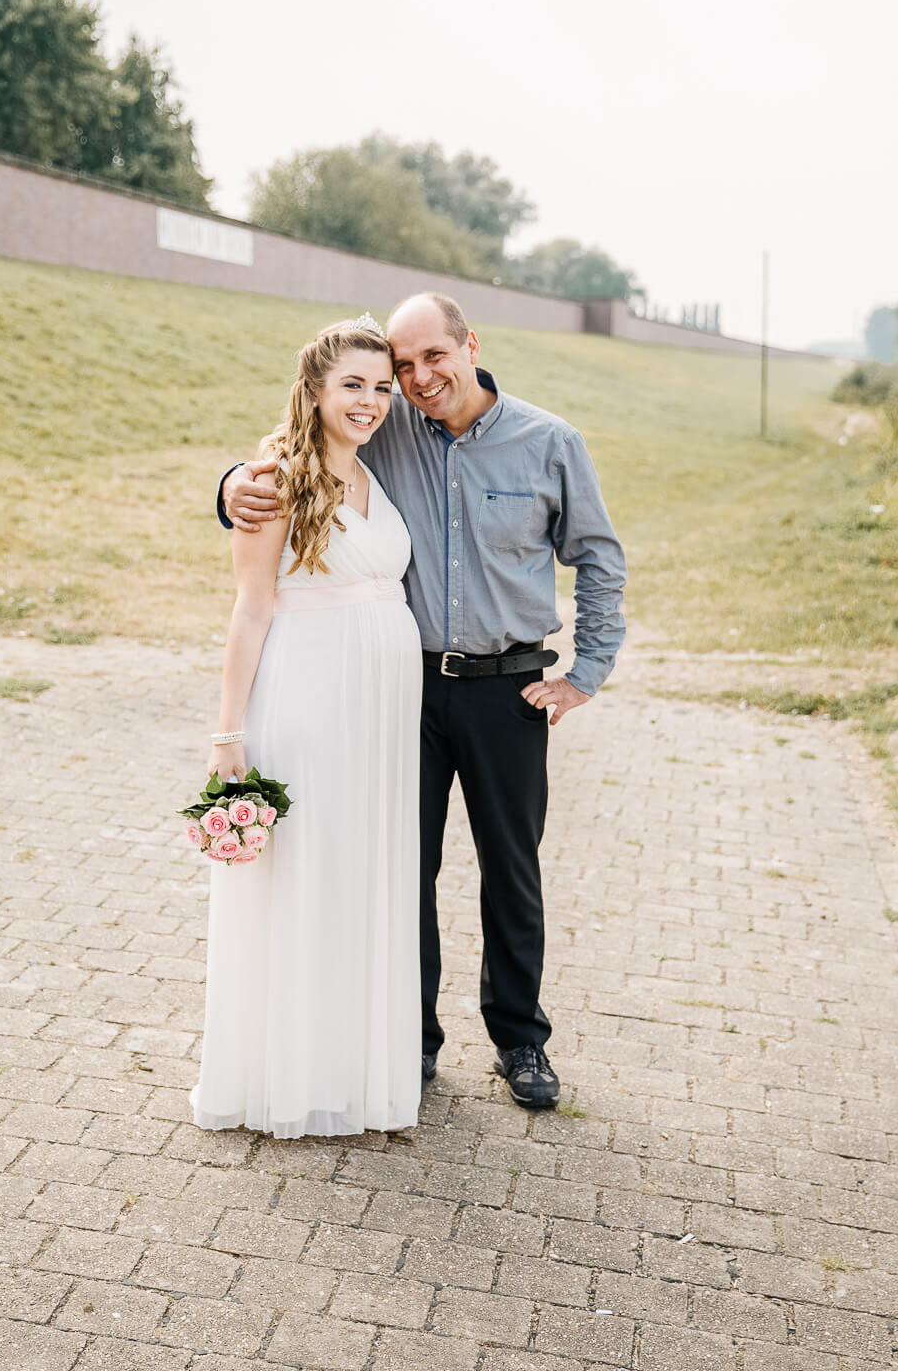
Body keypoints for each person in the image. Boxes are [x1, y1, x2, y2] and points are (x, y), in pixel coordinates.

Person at [218, 293, 626, 1110]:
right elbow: (303, 448)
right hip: (406, 696)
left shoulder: (549, 442)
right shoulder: (391, 424)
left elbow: (598, 557)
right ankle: (410, 1040)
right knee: (407, 865)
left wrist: (586, 672)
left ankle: (520, 1042)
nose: (415, 378)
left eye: (431, 357)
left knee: (512, 868)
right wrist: (231, 486)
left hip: (510, 687)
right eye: (403, 367)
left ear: (470, 345)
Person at [189, 316, 422, 1139]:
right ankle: (287, 1078)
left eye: (381, 388)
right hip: (309, 699)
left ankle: (349, 1068)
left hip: (380, 720)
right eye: (353, 385)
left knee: (355, 881)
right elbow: (251, 610)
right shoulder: (276, 478)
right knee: (304, 881)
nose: (370, 402)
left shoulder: (373, 473)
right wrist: (228, 734)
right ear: (315, 389)